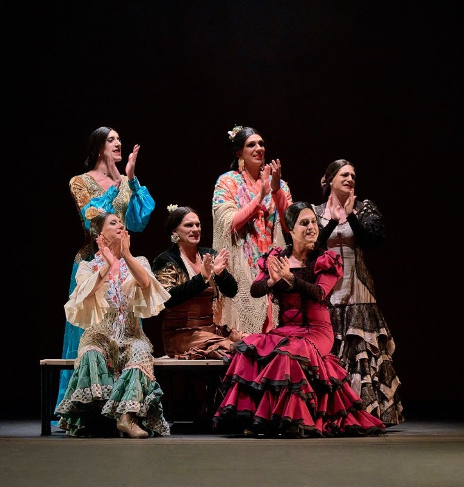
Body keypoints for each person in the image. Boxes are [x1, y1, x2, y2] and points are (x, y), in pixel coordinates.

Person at [213, 202, 386, 437]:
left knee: (289, 356)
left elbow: (320, 293)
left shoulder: (325, 259)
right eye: (304, 223)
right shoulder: (278, 258)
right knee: (249, 349)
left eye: (314, 222)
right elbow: (255, 290)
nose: (311, 227)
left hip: (317, 331)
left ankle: (292, 420)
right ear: (291, 230)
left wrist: (291, 280)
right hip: (286, 330)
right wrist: (273, 281)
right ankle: (260, 420)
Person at [56, 126, 155, 418]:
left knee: (124, 331)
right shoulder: (80, 182)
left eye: (120, 139)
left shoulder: (127, 182)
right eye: (111, 139)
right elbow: (92, 220)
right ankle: (79, 404)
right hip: (93, 262)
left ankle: (124, 404)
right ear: (99, 147)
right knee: (90, 330)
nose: (118, 143)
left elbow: (138, 221)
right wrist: (114, 184)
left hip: (123, 266)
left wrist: (131, 180)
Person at [55, 211, 170, 438]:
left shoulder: (139, 261)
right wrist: (107, 265)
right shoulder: (88, 266)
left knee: (141, 353)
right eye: (113, 222)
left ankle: (126, 417)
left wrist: (125, 255)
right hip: (99, 335)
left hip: (130, 335)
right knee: (90, 354)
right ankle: (97, 417)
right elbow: (86, 292)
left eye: (122, 223)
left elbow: (146, 282)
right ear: (100, 233)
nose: (120, 225)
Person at [314, 159, 404, 426]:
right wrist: (333, 221)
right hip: (328, 290)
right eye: (344, 174)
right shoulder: (315, 211)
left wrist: (351, 216)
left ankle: (367, 411)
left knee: (362, 348)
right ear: (330, 179)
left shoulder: (364, 207)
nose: (350, 178)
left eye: (353, 175)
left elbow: (374, 240)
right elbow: (313, 243)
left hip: (358, 289)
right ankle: (333, 411)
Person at [211, 125, 293, 336]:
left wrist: (275, 192)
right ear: (240, 153)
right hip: (242, 263)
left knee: (275, 327)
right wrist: (259, 198)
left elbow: (289, 225)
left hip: (273, 262)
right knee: (245, 333)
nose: (259, 148)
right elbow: (229, 222)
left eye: (261, 144)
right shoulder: (227, 182)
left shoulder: (279, 184)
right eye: (251, 145)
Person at [152, 204, 241, 360]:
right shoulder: (165, 260)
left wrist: (220, 275)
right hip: (180, 334)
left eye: (197, 225)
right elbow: (168, 298)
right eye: (188, 225)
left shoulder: (208, 255)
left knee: (250, 342)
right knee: (232, 349)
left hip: (210, 329)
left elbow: (232, 291)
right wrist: (202, 278)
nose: (195, 229)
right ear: (175, 231)